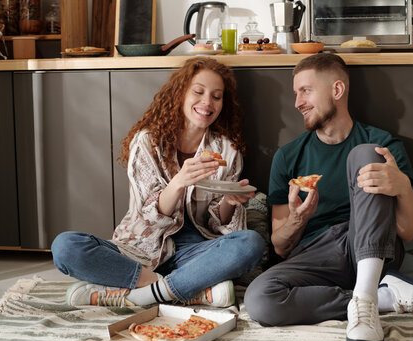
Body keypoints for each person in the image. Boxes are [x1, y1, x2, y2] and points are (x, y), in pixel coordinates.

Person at [243, 53, 413, 341]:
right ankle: (380, 297)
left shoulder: (382, 144)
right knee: (258, 300)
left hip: (372, 246)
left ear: (337, 90)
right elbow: (281, 246)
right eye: (296, 93)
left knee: (365, 154)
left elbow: (408, 233)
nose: (297, 102)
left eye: (305, 91)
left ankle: (368, 292)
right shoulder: (288, 156)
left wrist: (402, 189)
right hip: (315, 256)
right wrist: (298, 218)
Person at [52, 57, 265, 308]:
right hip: (141, 249)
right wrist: (178, 183)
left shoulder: (226, 150)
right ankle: (183, 288)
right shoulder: (147, 142)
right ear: (180, 94)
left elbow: (218, 224)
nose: (207, 102)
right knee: (66, 247)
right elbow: (148, 216)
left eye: (217, 96)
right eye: (198, 92)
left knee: (250, 244)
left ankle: (140, 294)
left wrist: (229, 202)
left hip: (195, 252)